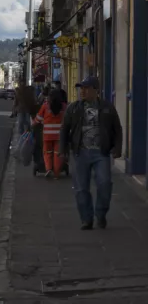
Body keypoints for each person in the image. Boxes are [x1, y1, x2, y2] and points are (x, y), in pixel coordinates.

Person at [62, 76, 123, 230]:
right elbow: (64, 129)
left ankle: (101, 214)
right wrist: (62, 150)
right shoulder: (74, 108)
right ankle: (86, 219)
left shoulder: (107, 108)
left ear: (96, 90)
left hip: (100, 153)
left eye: (86, 88)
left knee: (104, 184)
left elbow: (117, 128)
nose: (82, 91)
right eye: (81, 88)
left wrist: (117, 148)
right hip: (80, 153)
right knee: (81, 188)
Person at [35, 88, 67, 179]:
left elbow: (39, 118)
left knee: (47, 152)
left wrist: (34, 123)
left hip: (47, 135)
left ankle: (48, 168)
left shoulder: (45, 106)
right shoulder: (64, 106)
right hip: (59, 135)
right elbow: (67, 119)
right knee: (57, 153)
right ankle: (56, 173)